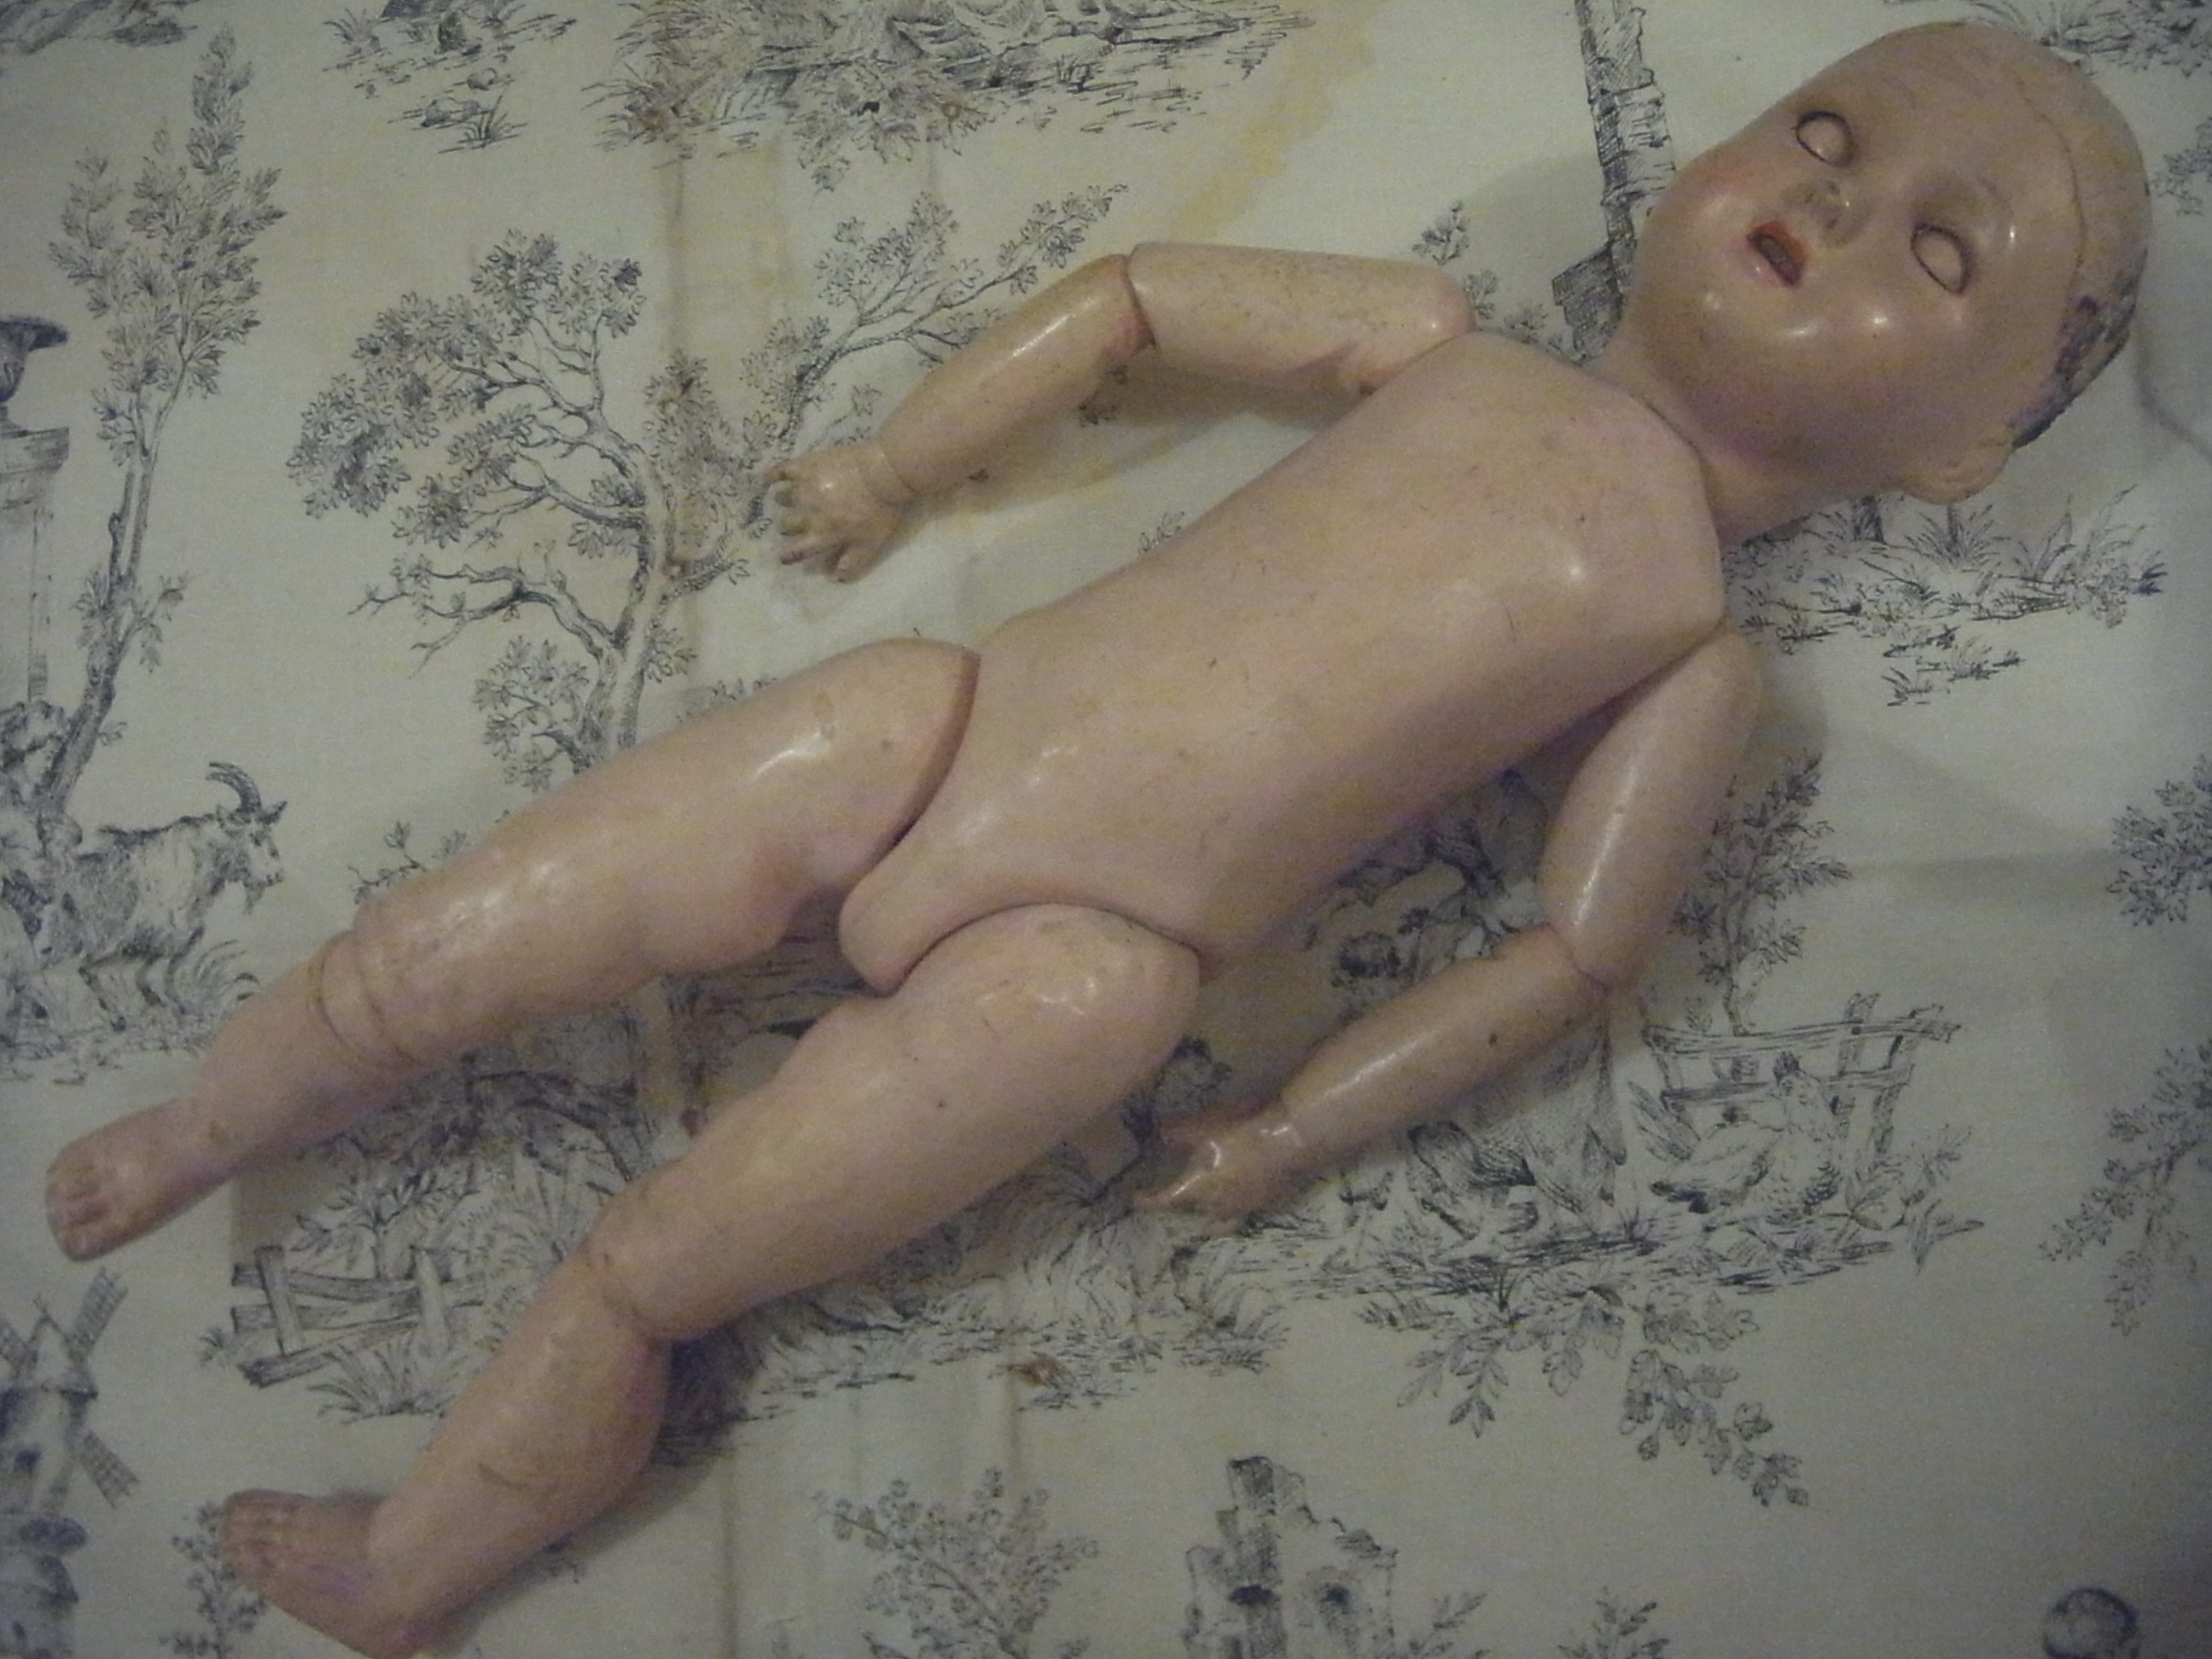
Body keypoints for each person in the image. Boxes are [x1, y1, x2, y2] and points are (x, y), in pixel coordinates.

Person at [40, 22, 2150, 1657]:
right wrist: (895, 462)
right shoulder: (1434, 338)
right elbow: (1138, 297)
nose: (1839, 202)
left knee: (656, 1269)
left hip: (1093, 960)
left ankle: (414, 1570)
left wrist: (1300, 1128)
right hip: (940, 723)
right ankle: (204, 1125)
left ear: (1965, 450)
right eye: (1824, 135)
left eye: (1938, 252)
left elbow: (1571, 953)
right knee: (449, 943)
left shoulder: (1691, 651)